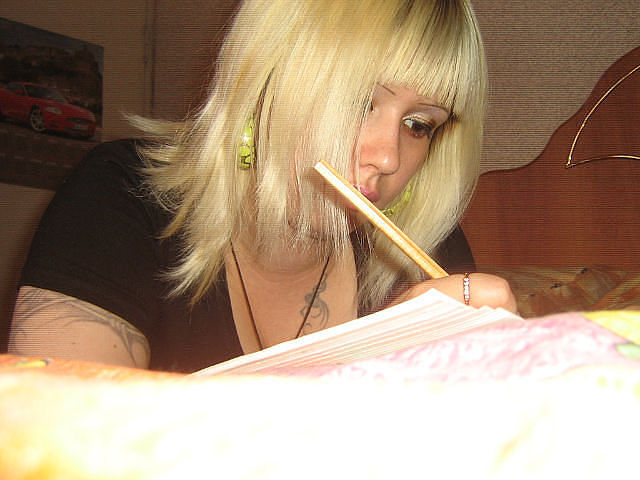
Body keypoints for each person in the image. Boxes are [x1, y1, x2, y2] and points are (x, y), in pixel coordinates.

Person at [8, 0, 517, 373]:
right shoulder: (122, 196)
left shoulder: (426, 254)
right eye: (359, 100)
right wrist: (369, 370)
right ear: (262, 82)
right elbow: (57, 447)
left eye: (419, 125)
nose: (387, 158)